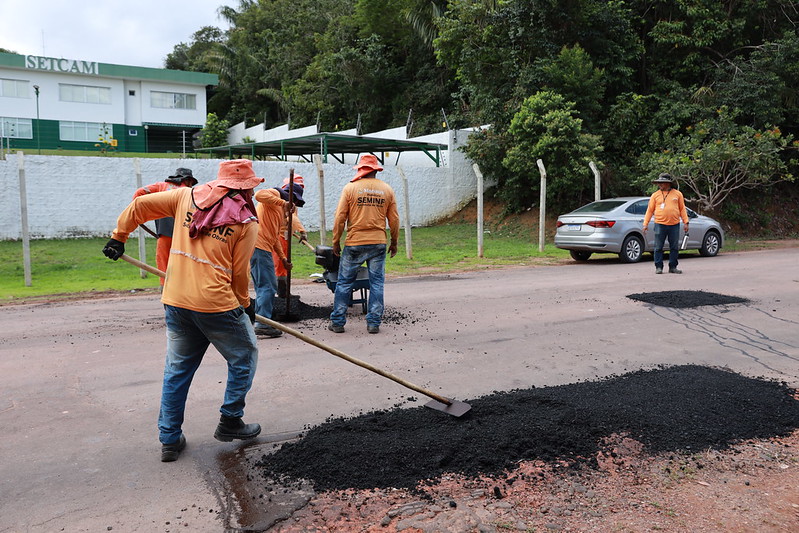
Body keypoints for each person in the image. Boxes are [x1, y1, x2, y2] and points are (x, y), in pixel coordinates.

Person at [102, 159, 263, 462]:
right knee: (244, 356)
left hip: (176, 299)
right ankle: (230, 419)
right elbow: (239, 275)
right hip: (215, 305)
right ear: (245, 188)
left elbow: (138, 207)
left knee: (177, 370)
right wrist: (245, 306)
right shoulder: (246, 222)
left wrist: (118, 237)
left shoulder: (184, 196)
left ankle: (169, 439)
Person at [329, 154, 400, 334]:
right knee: (376, 283)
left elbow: (339, 218)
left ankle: (337, 322)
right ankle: (374, 323)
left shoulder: (350, 188)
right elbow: (394, 220)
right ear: (375, 170)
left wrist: (335, 241)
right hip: (378, 243)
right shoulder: (387, 189)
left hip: (354, 243)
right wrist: (394, 242)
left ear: (361, 170)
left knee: (344, 282)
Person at [250, 179, 304, 337]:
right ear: (290, 197)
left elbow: (274, 237)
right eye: (293, 203)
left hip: (262, 246)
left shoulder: (278, 212)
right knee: (267, 285)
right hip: (259, 246)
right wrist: (283, 202)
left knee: (264, 286)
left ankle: (263, 318)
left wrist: (283, 259)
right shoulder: (274, 195)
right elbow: (259, 194)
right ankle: (263, 323)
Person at [132, 168, 198, 285]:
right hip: (184, 239)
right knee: (187, 269)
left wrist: (141, 212)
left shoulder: (161, 187)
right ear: (187, 180)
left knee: (164, 270)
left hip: (164, 237)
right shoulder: (190, 193)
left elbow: (139, 193)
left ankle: (166, 293)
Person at [643, 173, 690, 274]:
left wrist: (686, 222)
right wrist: (645, 224)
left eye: (662, 183)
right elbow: (650, 210)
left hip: (674, 224)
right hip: (659, 224)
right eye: (659, 183)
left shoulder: (678, 194)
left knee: (674, 247)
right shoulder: (655, 195)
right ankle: (658, 267)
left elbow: (682, 209)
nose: (660, 184)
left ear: (668, 183)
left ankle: (673, 266)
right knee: (658, 247)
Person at [276, 175, 308, 298]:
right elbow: (291, 217)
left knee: (282, 264)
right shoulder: (285, 201)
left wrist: (293, 229)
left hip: (283, 236)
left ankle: (283, 292)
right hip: (280, 237)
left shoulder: (286, 199)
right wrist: (302, 231)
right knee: (281, 265)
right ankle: (282, 294)